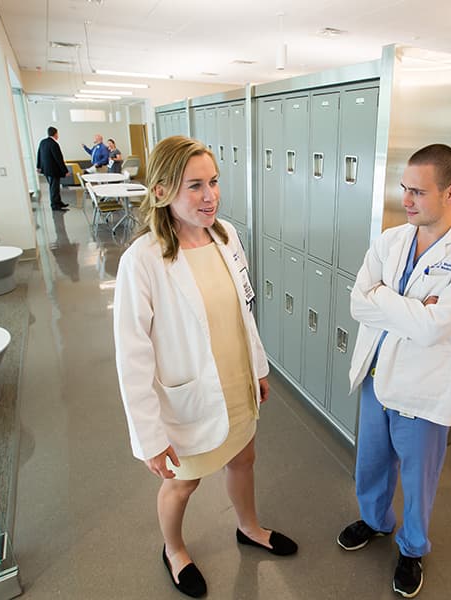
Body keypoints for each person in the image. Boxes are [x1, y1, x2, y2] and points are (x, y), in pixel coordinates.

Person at [113, 135, 297, 599]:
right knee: (184, 483)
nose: (210, 195)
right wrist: (149, 436)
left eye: (213, 182)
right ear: (161, 192)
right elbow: (131, 355)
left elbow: (242, 309)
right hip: (189, 394)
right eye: (194, 185)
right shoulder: (143, 261)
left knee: (244, 459)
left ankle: (248, 527)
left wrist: (257, 366)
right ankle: (174, 549)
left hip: (234, 378)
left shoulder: (226, 235)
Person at [338, 144, 451, 598]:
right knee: (370, 462)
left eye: (418, 192)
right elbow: (355, 302)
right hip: (375, 374)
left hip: (422, 386)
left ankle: (412, 548)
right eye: (404, 188)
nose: (406, 199)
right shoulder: (391, 239)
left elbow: (433, 329)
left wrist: (383, 297)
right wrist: (408, 307)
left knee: (418, 476)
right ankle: (375, 520)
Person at [36, 126, 69, 211]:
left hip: (46, 170)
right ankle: (55, 205)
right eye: (57, 133)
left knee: (53, 187)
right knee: (54, 188)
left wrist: (38, 166)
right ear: (55, 134)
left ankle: (58, 202)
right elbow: (59, 159)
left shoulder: (42, 142)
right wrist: (65, 171)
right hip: (53, 170)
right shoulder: (54, 144)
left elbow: (39, 154)